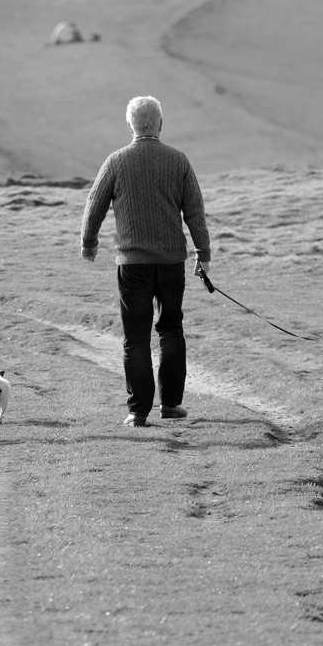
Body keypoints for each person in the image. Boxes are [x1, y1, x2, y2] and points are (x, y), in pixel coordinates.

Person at [81, 96, 211, 427]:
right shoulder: (178, 160)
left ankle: (138, 412)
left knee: (136, 337)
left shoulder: (115, 161)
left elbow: (94, 205)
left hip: (132, 264)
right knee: (170, 329)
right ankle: (171, 406)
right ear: (160, 125)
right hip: (171, 263)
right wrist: (203, 254)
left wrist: (89, 243)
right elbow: (194, 210)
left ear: (131, 126)